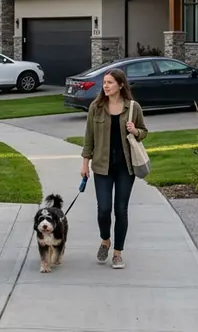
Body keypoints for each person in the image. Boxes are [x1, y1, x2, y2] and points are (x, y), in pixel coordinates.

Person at [80, 67, 148, 269]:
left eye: (110, 82)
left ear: (120, 85)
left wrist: (135, 130)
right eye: (104, 83)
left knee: (121, 209)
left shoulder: (133, 107)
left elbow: (143, 131)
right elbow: (89, 138)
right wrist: (85, 163)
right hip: (102, 166)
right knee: (103, 210)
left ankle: (117, 253)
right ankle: (105, 240)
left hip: (125, 168)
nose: (106, 86)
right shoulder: (96, 107)